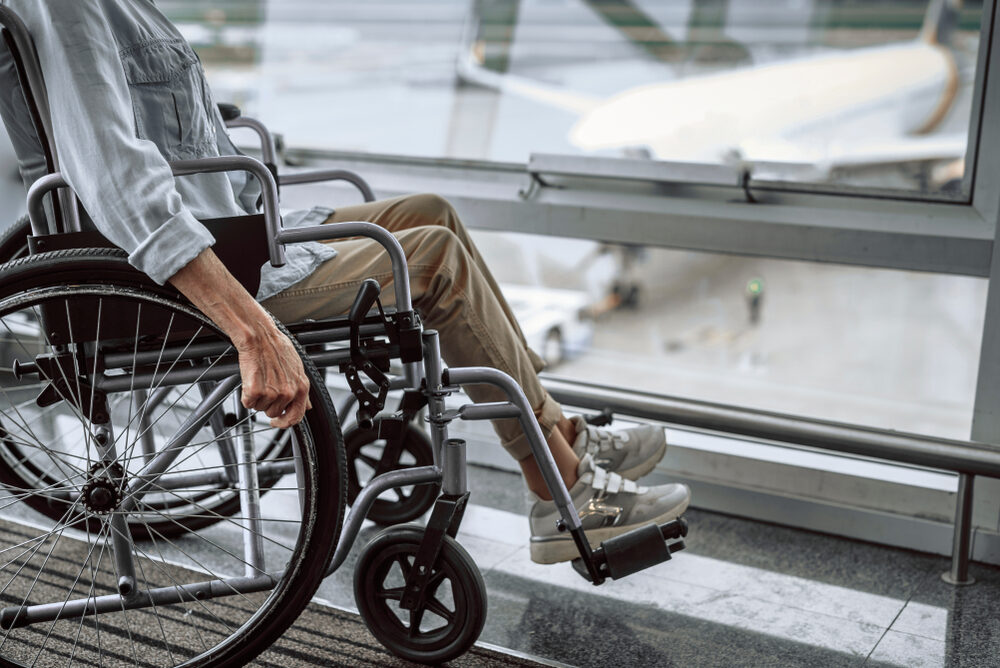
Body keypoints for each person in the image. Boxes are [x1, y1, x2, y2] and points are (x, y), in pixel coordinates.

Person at [0, 0, 690, 564]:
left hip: (237, 233)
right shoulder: (72, 6)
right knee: (428, 259)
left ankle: (556, 431)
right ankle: (558, 479)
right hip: (199, 279)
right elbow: (119, 179)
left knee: (428, 214)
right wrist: (250, 327)